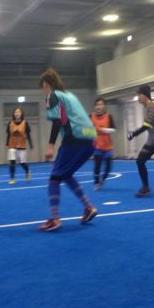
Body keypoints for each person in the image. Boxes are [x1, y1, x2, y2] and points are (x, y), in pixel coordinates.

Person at [38, 68, 98, 231]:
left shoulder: (52, 95)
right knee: (65, 174)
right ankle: (89, 207)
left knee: (54, 178)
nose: (43, 91)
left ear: (46, 84)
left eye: (42, 87)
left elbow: (57, 121)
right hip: (91, 139)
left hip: (74, 139)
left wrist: (50, 145)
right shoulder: (70, 95)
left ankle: (54, 219)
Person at [90, 97, 115, 190]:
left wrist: (101, 129)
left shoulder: (109, 116)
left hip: (108, 146)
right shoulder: (91, 116)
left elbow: (113, 130)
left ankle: (102, 180)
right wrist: (92, 131)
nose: (99, 106)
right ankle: (96, 183)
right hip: (96, 146)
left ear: (104, 106)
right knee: (97, 166)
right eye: (97, 105)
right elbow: (85, 130)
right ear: (95, 106)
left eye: (101, 104)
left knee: (108, 167)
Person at [6, 107, 33, 184]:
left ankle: (27, 172)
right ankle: (12, 178)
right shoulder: (10, 123)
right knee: (12, 162)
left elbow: (28, 134)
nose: (17, 113)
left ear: (21, 114)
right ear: (14, 114)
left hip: (22, 146)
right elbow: (8, 134)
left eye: (19, 112)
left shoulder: (25, 123)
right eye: (16, 112)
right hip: (12, 145)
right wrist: (7, 143)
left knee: (22, 163)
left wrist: (31, 144)